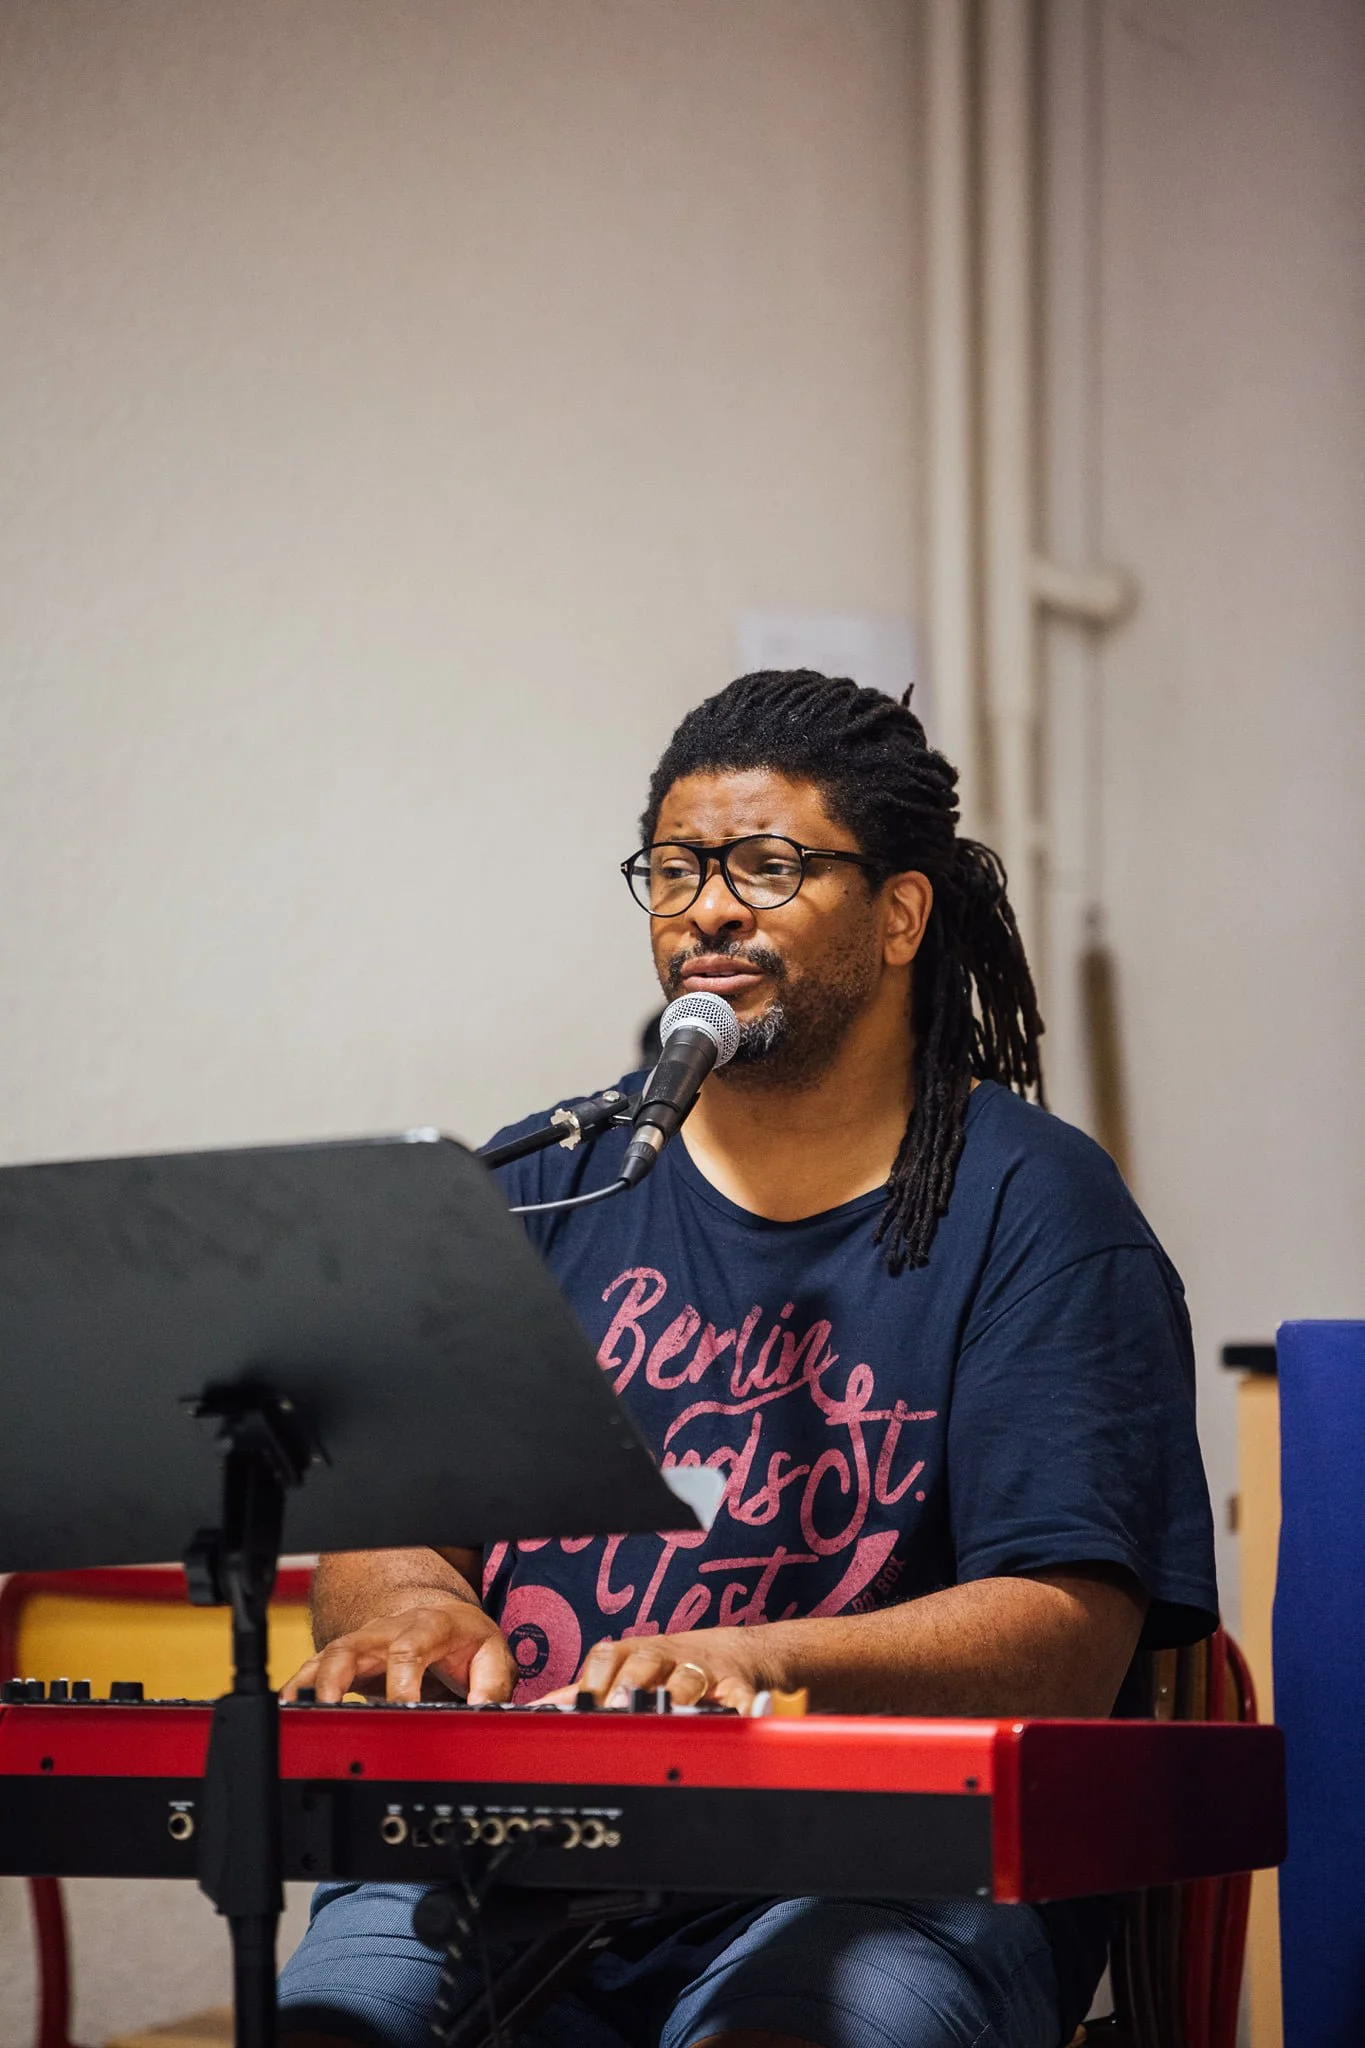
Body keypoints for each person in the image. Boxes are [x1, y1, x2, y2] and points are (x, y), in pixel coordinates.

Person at [278, 671, 1217, 2048]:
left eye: (770, 867)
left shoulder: (1039, 1210)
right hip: (507, 1846)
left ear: (901, 914)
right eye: (675, 869)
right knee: (330, 2031)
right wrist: (412, 1603)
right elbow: (387, 1527)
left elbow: (1063, 1639)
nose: (709, 907)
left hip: (892, 1867)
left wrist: (741, 1665)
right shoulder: (543, 1185)